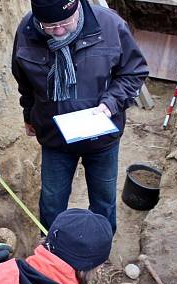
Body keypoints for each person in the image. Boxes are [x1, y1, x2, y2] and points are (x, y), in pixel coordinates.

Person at [11, 0, 149, 234]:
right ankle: (52, 251)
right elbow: (25, 82)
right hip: (55, 137)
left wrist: (110, 103)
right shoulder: (28, 31)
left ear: (77, 8)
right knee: (52, 203)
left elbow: (133, 73)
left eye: (64, 22)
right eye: (49, 26)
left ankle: (99, 249)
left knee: (103, 202)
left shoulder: (110, 26)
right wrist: (29, 115)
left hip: (101, 137)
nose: (59, 31)